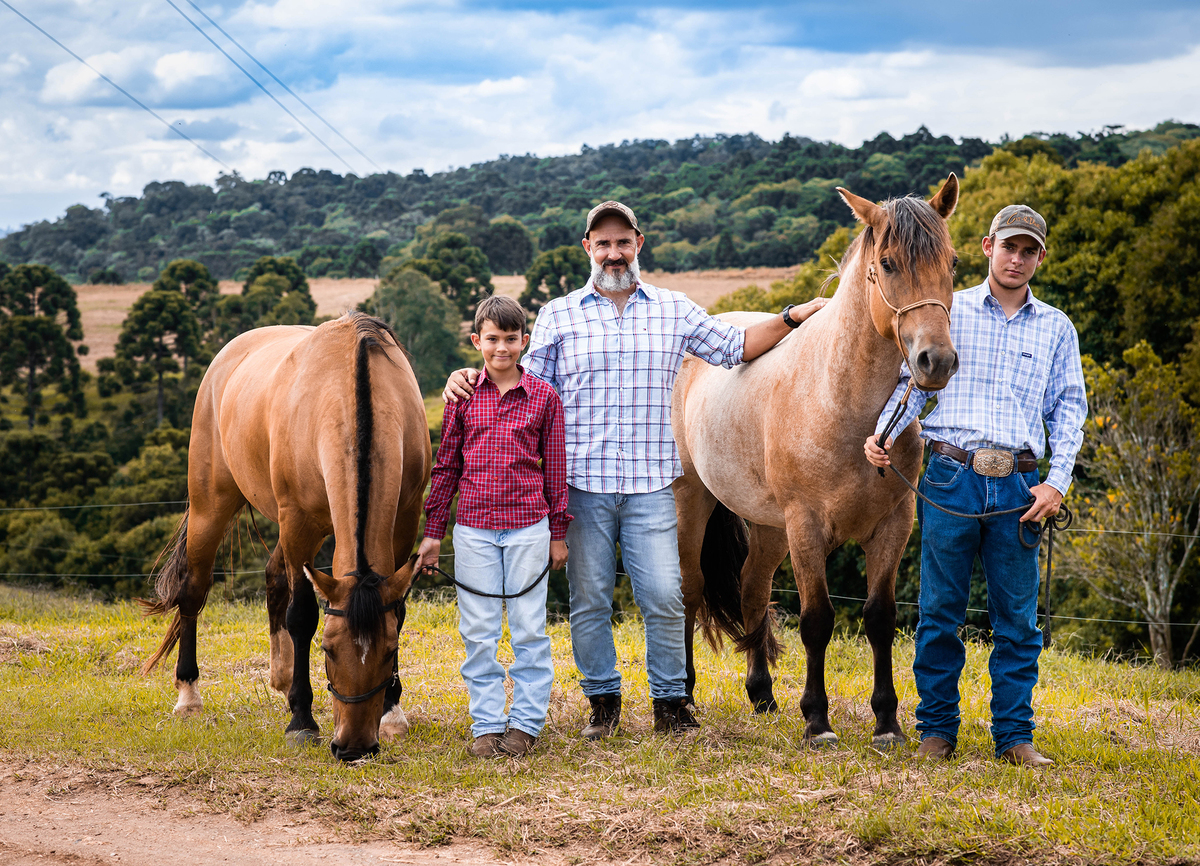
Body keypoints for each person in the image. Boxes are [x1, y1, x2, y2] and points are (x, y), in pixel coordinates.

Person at [444, 201, 828, 738]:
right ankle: (604, 705)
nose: (613, 253)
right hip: (583, 487)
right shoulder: (559, 315)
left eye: (622, 242)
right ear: (588, 249)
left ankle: (671, 705)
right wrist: (467, 376)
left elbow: (736, 345)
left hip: (652, 487)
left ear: (638, 244)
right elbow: (520, 384)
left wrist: (792, 317)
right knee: (591, 602)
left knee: (666, 598)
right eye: (602, 243)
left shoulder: (674, 310)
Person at [864, 204, 1087, 767]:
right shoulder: (949, 311)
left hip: (1020, 485)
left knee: (1018, 622)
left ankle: (1015, 738)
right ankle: (937, 732)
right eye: (1009, 246)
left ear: (1040, 256)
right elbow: (912, 385)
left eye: (1028, 250)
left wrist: (1056, 484)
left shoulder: (1056, 326)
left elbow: (1068, 410)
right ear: (988, 248)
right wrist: (883, 433)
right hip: (951, 475)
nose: (1017, 258)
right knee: (940, 612)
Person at [416, 294, 571, 758]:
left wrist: (558, 534)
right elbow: (446, 469)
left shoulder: (544, 398)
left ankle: (524, 724)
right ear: (476, 341)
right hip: (475, 532)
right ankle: (486, 724)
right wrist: (433, 532)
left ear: (525, 341)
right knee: (478, 631)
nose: (501, 348)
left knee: (528, 630)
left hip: (528, 528)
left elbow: (555, 471)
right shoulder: (463, 398)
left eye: (510, 338)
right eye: (491, 339)